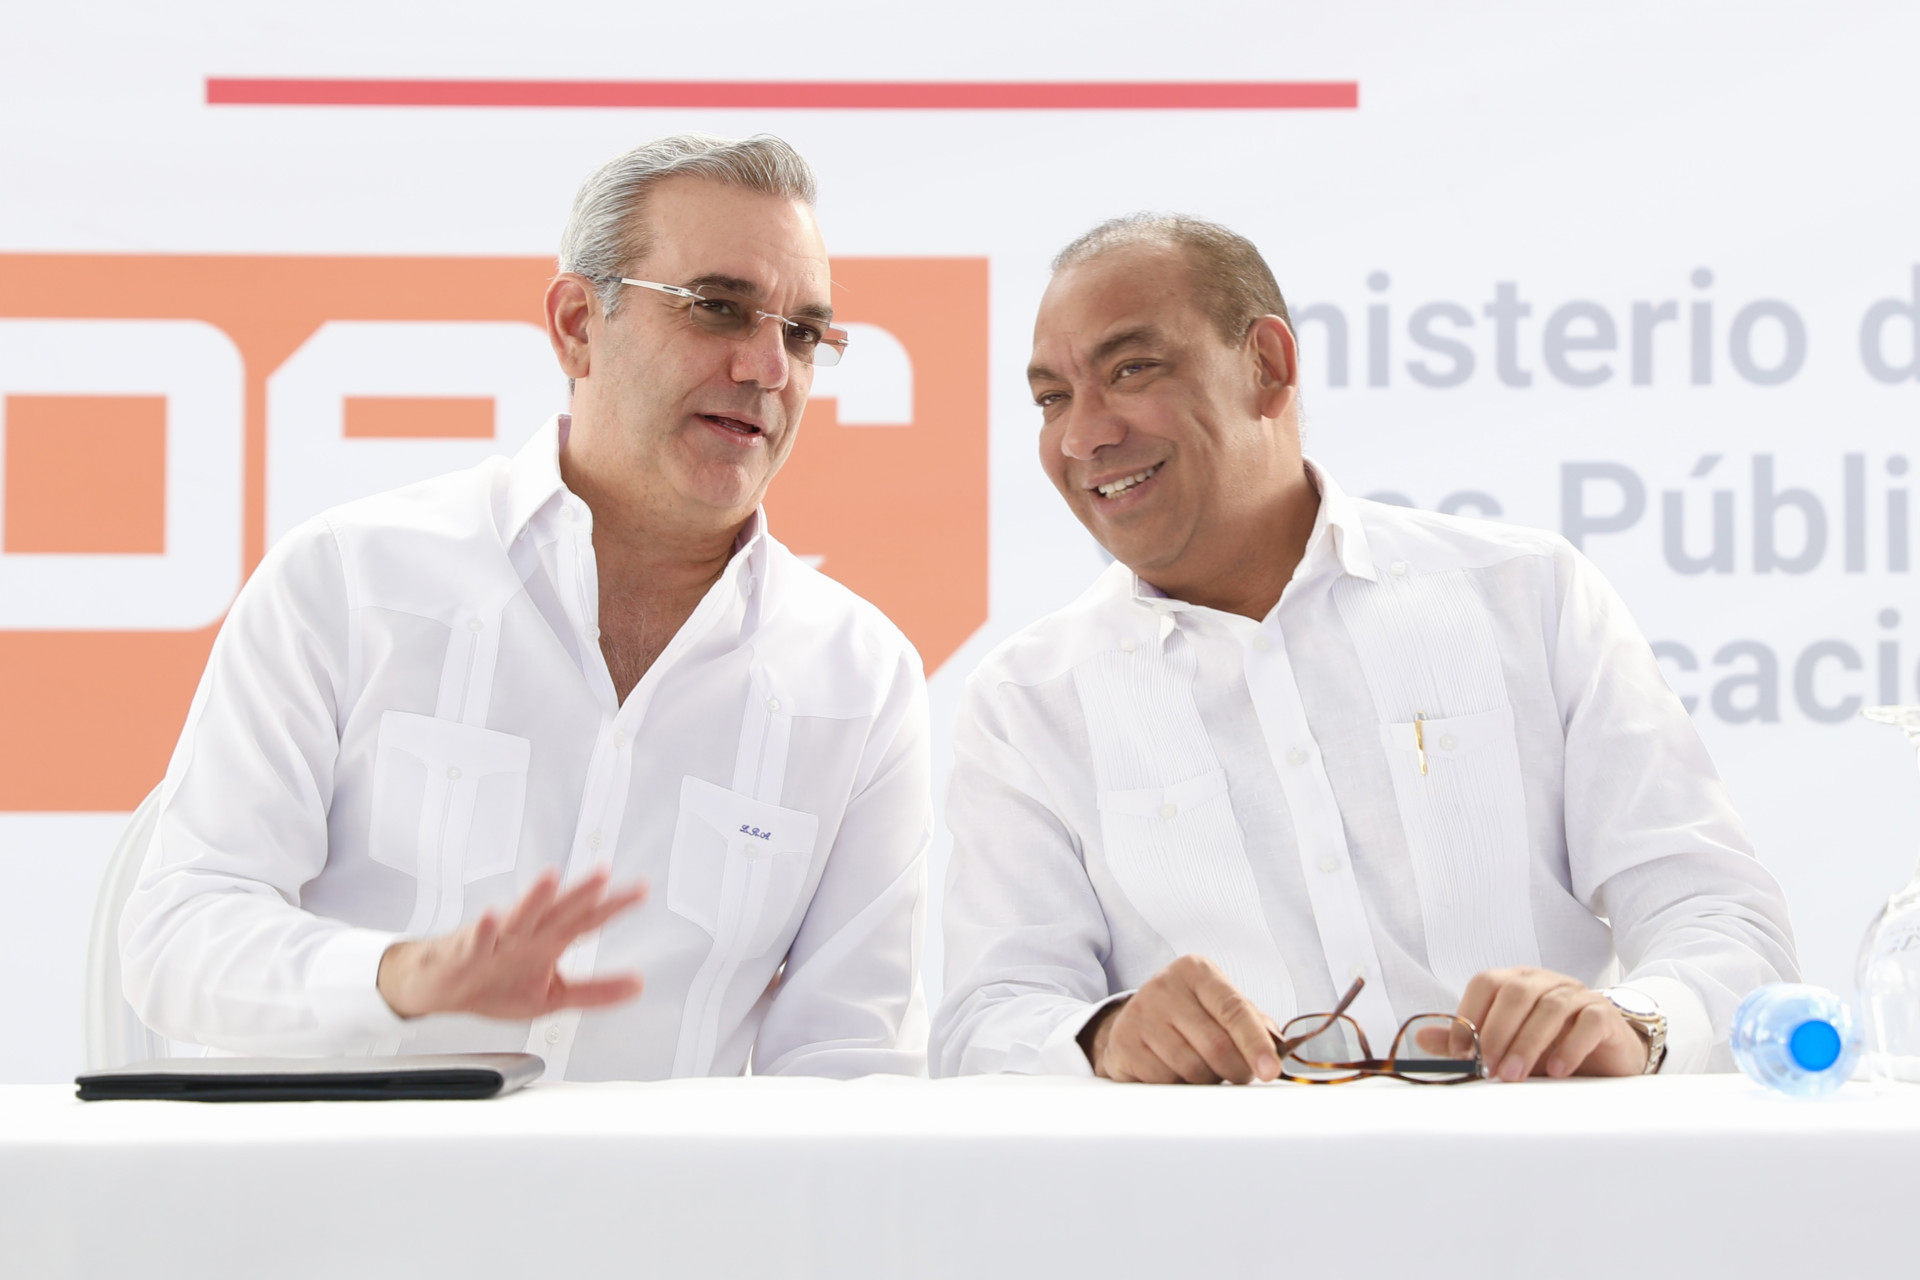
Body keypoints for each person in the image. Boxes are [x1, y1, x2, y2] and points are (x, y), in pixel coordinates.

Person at [121, 134, 931, 1080]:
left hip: (663, 1185)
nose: (769, 369)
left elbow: (849, 1061)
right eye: (718, 308)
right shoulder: (348, 580)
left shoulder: (860, 679)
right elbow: (181, 938)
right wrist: (400, 977)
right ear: (578, 324)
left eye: (802, 334)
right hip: (347, 1176)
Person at [931, 215, 1797, 1084]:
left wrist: (1636, 1023)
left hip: (1540, 1162)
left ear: (1267, 366)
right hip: (1222, 1176)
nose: (1081, 436)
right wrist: (1104, 1038)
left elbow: (1726, 925)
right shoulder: (1027, 702)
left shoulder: (1528, 594)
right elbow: (986, 1021)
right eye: (1052, 399)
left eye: (1131, 370)